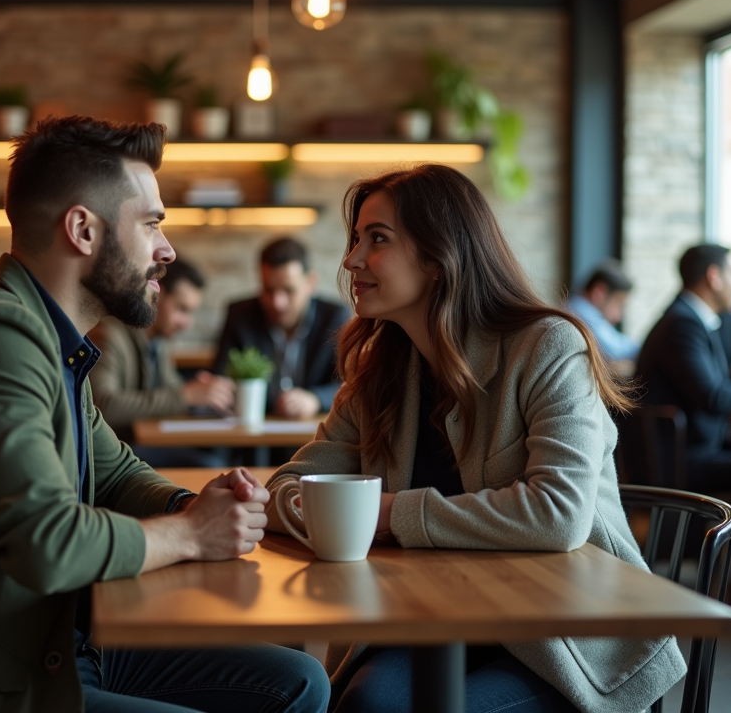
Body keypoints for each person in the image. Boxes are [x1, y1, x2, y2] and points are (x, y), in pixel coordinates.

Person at [0, 117, 329, 713]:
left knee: (300, 680)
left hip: (52, 641)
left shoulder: (54, 341)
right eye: (152, 223)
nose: (167, 249)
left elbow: (118, 475)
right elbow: (44, 543)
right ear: (82, 229)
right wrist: (189, 534)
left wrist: (193, 505)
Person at [265, 164, 685, 713]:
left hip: (565, 635)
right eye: (356, 240)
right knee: (368, 705)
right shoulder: (381, 373)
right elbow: (285, 489)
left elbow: (558, 514)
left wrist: (390, 513)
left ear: (440, 258)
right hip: (433, 619)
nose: (351, 260)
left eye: (378, 239)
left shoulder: (549, 347)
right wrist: (336, 512)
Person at [636, 244, 731, 606]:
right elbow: (711, 396)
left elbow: (708, 384)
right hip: (681, 459)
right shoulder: (683, 324)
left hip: (692, 447)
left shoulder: (687, 319)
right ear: (714, 276)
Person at [90, 258, 234, 466]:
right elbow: (103, 405)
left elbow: (171, 388)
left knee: (219, 457)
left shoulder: (159, 340)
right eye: (182, 309)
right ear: (158, 293)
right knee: (212, 466)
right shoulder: (109, 333)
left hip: (138, 446)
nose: (187, 323)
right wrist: (185, 395)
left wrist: (201, 391)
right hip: (114, 453)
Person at [213, 238, 347, 420]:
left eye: (289, 290)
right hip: (253, 435)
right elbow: (222, 374)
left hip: (313, 434)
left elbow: (350, 383)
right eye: (268, 290)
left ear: (310, 283)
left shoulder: (335, 317)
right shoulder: (240, 315)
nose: (278, 303)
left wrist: (315, 399)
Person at [565, 259, 639, 369]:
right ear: (599, 293)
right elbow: (616, 350)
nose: (618, 317)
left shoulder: (573, 306)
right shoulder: (581, 312)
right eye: (619, 304)